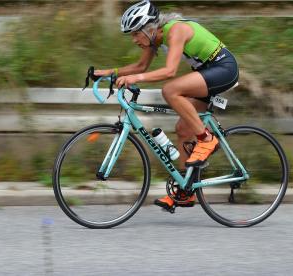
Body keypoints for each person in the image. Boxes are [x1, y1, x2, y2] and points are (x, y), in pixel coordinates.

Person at [94, 0, 239, 212]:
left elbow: (170, 71)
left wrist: (135, 79)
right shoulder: (154, 39)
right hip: (207, 73)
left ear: (149, 28)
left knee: (170, 89)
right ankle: (186, 192)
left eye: (136, 33)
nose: (134, 39)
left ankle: (207, 139)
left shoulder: (176, 30)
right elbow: (140, 66)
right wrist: (107, 73)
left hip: (224, 68)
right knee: (182, 129)